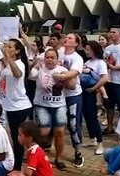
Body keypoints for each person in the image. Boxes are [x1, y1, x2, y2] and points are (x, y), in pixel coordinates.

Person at [0, 38, 32, 172]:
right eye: (6, 46)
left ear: (17, 51)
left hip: (19, 106)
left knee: (18, 139)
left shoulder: (19, 64)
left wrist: (8, 59)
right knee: (15, 137)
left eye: (10, 47)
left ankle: (18, 167)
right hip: (9, 106)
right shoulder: (8, 65)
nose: (6, 49)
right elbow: (6, 78)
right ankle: (18, 164)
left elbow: (18, 74)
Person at [31, 48, 68, 170]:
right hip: (42, 104)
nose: (50, 60)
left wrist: (63, 78)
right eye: (47, 57)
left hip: (59, 105)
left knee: (60, 132)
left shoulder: (63, 70)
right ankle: (38, 156)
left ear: (57, 59)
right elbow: (31, 75)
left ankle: (58, 159)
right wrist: (35, 64)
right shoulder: (40, 70)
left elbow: (72, 85)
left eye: (53, 57)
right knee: (43, 132)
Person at [53, 33, 84, 167]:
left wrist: (59, 75)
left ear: (76, 43)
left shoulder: (77, 58)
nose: (67, 39)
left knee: (73, 124)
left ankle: (78, 152)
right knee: (56, 124)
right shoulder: (58, 52)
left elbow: (74, 73)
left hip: (73, 95)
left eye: (70, 38)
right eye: (66, 37)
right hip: (58, 95)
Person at [81, 40, 108, 155]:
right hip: (84, 92)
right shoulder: (88, 61)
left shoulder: (100, 63)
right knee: (86, 117)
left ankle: (100, 143)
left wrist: (94, 88)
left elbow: (104, 78)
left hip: (91, 92)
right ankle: (92, 139)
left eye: (88, 49)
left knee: (92, 118)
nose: (86, 51)